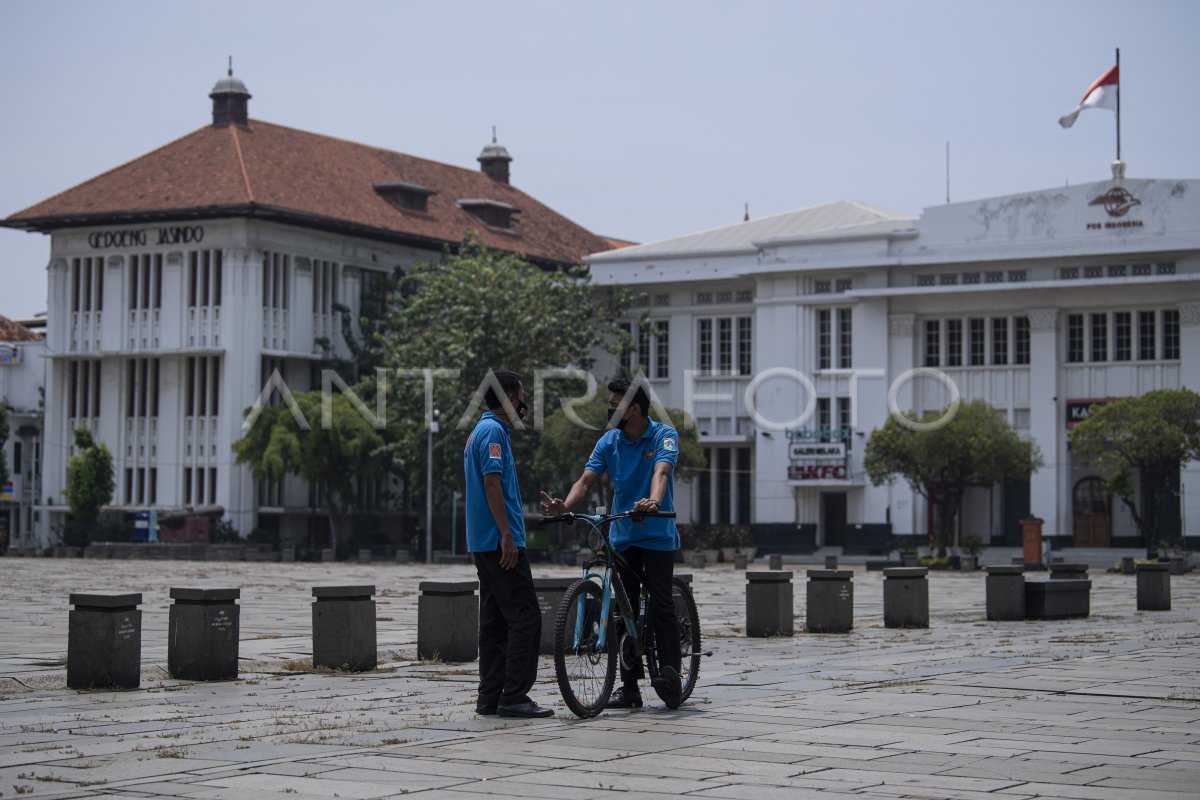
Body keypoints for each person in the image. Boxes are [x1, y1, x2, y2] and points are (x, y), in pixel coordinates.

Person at [540, 377, 683, 709]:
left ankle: (671, 674)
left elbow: (661, 472)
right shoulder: (609, 442)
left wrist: (654, 501)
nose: (610, 407)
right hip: (622, 535)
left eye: (616, 403)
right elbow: (585, 481)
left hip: (657, 535)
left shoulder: (664, 435)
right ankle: (629, 687)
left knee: (661, 604)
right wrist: (566, 506)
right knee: (623, 609)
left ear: (634, 408)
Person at [464, 370, 553, 718]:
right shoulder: (492, 432)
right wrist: (507, 535)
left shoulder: (479, 431)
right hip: (498, 540)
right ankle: (514, 694)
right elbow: (491, 483)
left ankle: (489, 696)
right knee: (526, 617)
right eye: (520, 396)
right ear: (509, 397)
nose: (523, 403)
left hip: (483, 541)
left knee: (496, 621)